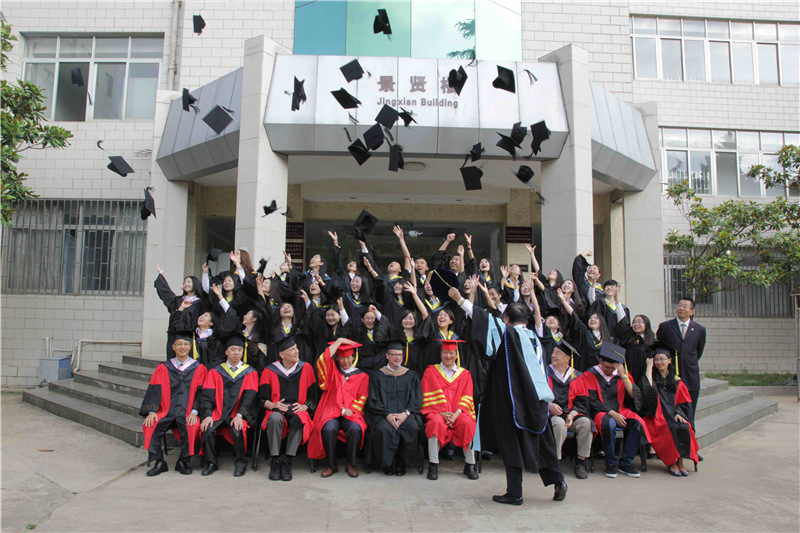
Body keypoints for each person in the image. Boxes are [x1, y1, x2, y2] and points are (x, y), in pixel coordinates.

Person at [452, 288, 568, 506]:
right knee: (544, 444)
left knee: (511, 444)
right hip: (538, 402)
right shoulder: (535, 339)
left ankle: (515, 493)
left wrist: (460, 301)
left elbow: (485, 320)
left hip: (513, 402)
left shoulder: (509, 334)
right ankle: (558, 481)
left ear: (507, 320)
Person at [569, 343, 650, 479]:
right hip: (600, 412)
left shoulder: (621, 374)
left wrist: (622, 375)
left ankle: (626, 463)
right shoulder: (590, 374)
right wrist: (612, 413)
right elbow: (592, 400)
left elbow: (634, 395)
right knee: (609, 423)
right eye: (606, 367)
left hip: (621, 410)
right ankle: (610, 463)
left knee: (638, 423)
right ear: (600, 361)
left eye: (612, 368)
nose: (609, 370)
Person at [140, 332, 207, 476]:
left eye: (186, 344)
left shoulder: (199, 368)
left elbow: (201, 393)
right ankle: (159, 462)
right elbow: (155, 389)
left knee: (193, 426)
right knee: (150, 424)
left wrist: (194, 412)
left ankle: (183, 461)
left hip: (187, 412)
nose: (183, 347)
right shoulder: (163, 367)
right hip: (166, 411)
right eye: (179, 344)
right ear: (173, 347)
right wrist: (152, 411)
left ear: (190, 347)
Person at [198, 333, 259, 477]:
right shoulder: (215, 372)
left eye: (239, 350)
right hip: (218, 412)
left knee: (238, 429)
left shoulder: (250, 372)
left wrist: (240, 415)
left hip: (238, 412)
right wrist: (207, 415)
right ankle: (211, 463)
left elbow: (249, 397)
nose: (236, 352)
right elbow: (207, 395)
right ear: (226, 352)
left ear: (242, 352)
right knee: (208, 428)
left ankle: (240, 464)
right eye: (233, 349)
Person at [258, 335, 317, 482]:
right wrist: (273, 405)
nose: (297, 351)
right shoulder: (269, 371)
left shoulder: (306, 368)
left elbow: (313, 397)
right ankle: (275, 460)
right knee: (274, 418)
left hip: (299, 410)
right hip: (277, 410)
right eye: (292, 350)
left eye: (296, 348)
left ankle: (288, 461)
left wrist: (304, 406)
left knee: (299, 419)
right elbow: (261, 399)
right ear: (282, 355)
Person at [307, 338, 369, 478]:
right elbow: (323, 360)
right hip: (331, 411)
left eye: (348, 357)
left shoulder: (362, 376)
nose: (345, 361)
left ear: (353, 357)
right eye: (342, 357)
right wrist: (339, 341)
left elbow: (363, 397)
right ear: (337, 358)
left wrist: (352, 409)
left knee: (355, 429)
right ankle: (331, 464)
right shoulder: (332, 372)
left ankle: (351, 464)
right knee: (328, 429)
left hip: (351, 413)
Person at [421, 339, 478, 481]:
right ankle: (433, 464)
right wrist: (442, 413)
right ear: (440, 354)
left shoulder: (465, 374)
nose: (448, 356)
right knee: (435, 423)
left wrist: (456, 414)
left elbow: (467, 397)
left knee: (468, 423)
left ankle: (470, 464)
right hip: (438, 412)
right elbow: (427, 394)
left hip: (459, 413)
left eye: (451, 353)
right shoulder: (431, 371)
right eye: (445, 352)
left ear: (456, 355)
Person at [640, 344, 700, 476]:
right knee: (669, 428)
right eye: (656, 359)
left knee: (684, 426)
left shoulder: (677, 381)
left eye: (662, 359)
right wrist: (649, 367)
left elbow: (685, 402)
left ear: (669, 360)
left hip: (673, 415)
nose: (659, 362)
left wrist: (679, 413)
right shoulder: (652, 378)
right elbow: (648, 391)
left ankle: (680, 462)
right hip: (656, 418)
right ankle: (671, 462)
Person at [367, 341, 423, 476]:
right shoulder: (377, 376)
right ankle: (388, 463)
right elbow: (374, 400)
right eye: (394, 355)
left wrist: (405, 414)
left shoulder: (411, 375)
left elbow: (416, 399)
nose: (398, 358)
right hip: (383, 415)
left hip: (406, 414)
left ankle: (402, 462)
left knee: (412, 427)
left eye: (400, 355)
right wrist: (388, 415)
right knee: (384, 429)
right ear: (387, 356)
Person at [656, 297, 706, 427]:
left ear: (692, 311)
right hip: (670, 375)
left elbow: (698, 351)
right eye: (679, 305)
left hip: (690, 375)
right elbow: (660, 349)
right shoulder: (665, 327)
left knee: (690, 411)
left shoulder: (699, 329)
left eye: (685, 306)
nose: (681, 308)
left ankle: (690, 434)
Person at [546, 340, 592, 480]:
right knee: (559, 424)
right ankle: (555, 463)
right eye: (553, 352)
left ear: (567, 359)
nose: (553, 355)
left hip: (571, 415)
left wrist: (572, 414)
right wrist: (549, 406)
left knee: (586, 423)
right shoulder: (545, 373)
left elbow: (582, 402)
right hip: (551, 415)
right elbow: (536, 396)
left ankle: (581, 461)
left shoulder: (577, 376)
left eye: (557, 353)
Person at [154, 265, 202, 360]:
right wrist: (161, 276)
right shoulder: (178, 300)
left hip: (192, 337)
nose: (186, 284)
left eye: (189, 282)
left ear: (195, 284)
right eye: (184, 282)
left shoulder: (201, 302)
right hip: (175, 336)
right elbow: (166, 293)